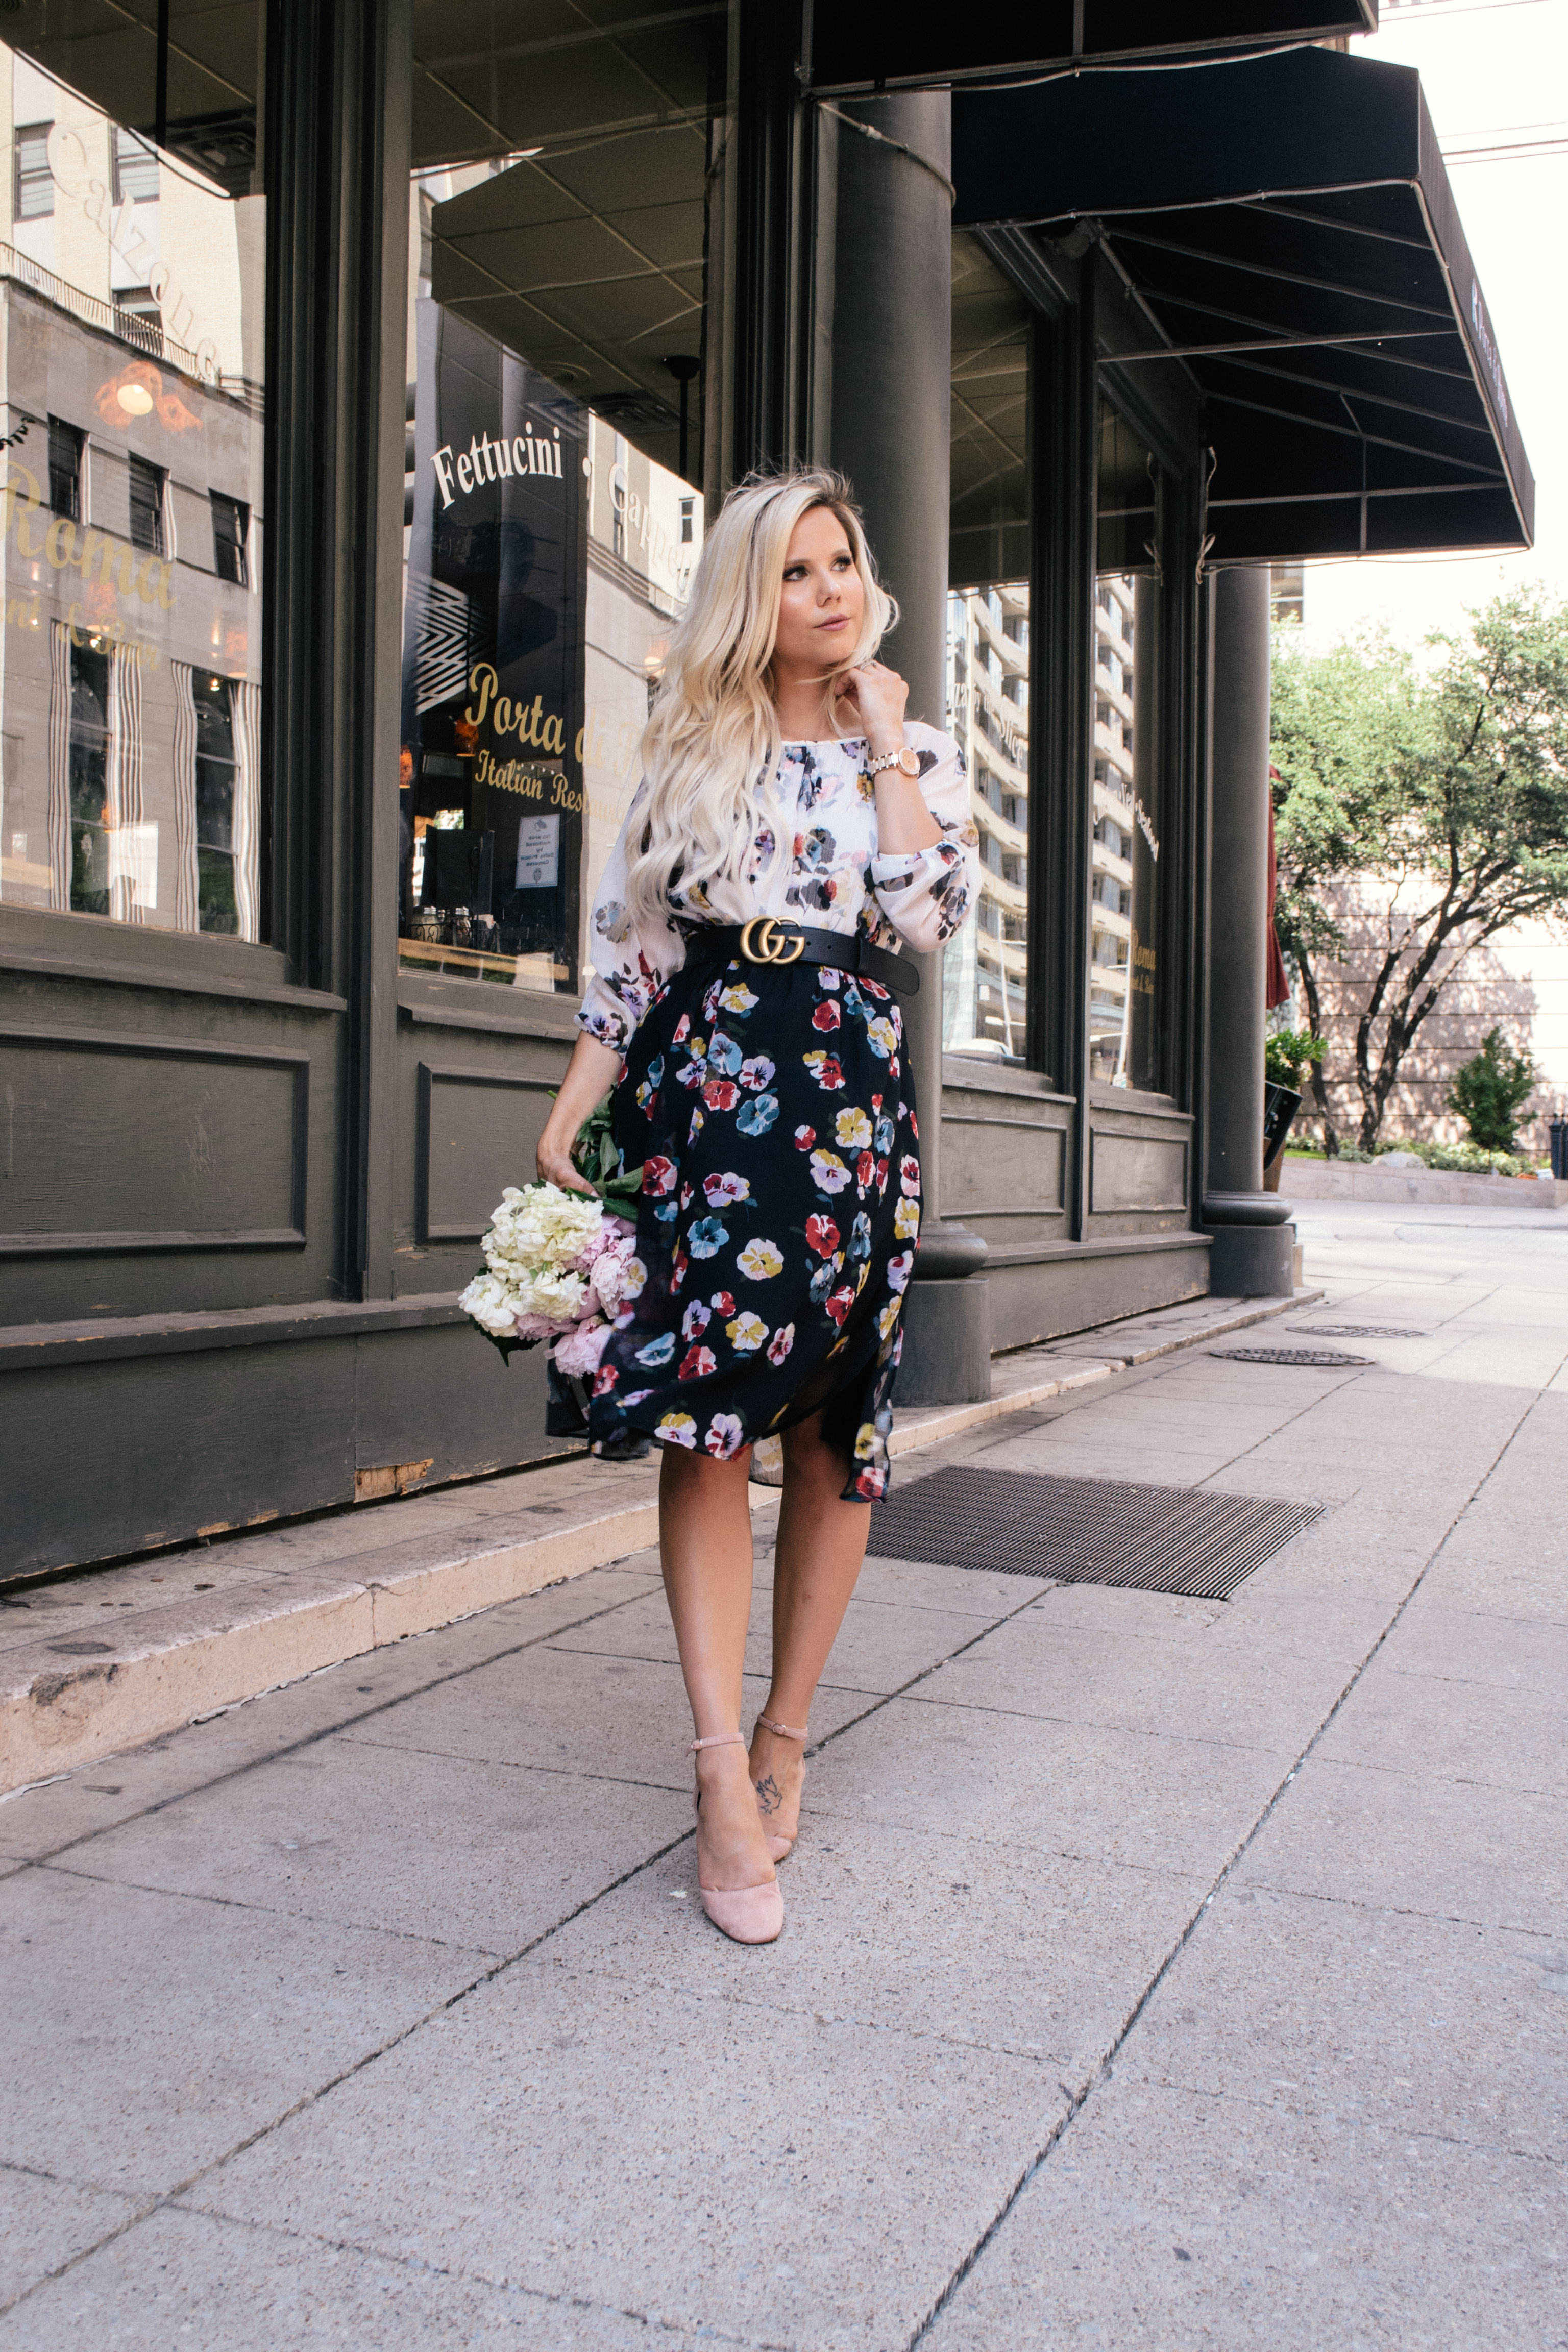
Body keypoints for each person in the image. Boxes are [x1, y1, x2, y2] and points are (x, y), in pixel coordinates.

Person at [536, 469, 977, 1944]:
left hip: (850, 1102)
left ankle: (789, 1726)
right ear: (750, 594)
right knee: (708, 1416)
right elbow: (634, 954)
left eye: (844, 562)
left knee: (834, 1422)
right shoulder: (684, 754)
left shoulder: (901, 751)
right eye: (798, 572)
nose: (832, 590)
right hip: (716, 1098)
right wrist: (573, 1108)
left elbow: (925, 913)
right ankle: (722, 1772)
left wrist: (878, 735)